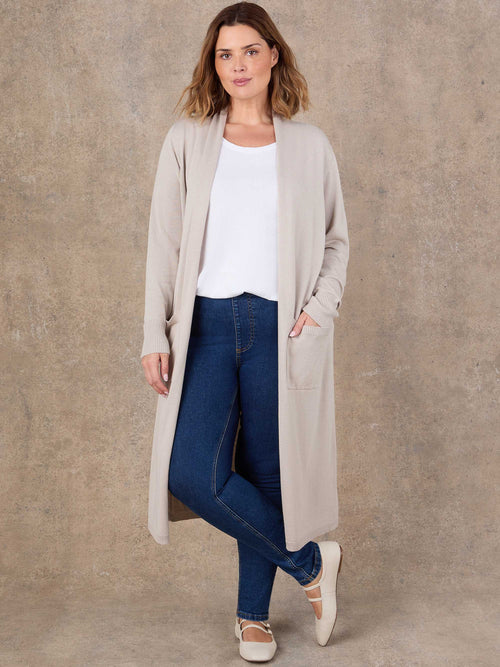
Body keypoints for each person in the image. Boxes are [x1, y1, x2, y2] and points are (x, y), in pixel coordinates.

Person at [141, 3, 348, 662]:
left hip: (279, 327)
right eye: (225, 55)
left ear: (273, 55)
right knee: (193, 473)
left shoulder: (309, 146)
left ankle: (253, 618)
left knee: (266, 471)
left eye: (250, 51)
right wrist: (154, 334)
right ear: (215, 63)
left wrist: (318, 310)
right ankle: (311, 562)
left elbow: (336, 242)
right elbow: (164, 244)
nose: (238, 66)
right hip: (204, 325)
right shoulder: (188, 141)